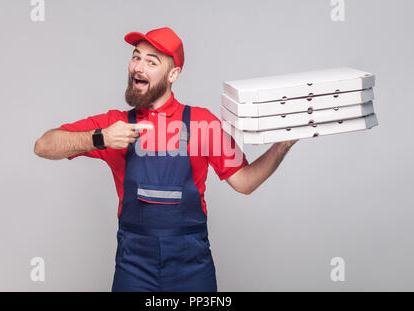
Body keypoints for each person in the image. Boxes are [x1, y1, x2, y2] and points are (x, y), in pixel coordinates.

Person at [34, 27, 297, 292]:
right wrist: (101, 137)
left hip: (191, 266)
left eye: (151, 62)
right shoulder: (116, 124)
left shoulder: (202, 123)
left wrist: (283, 144)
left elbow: (245, 182)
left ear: (173, 74)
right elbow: (44, 145)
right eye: (136, 57)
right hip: (133, 265)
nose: (139, 67)